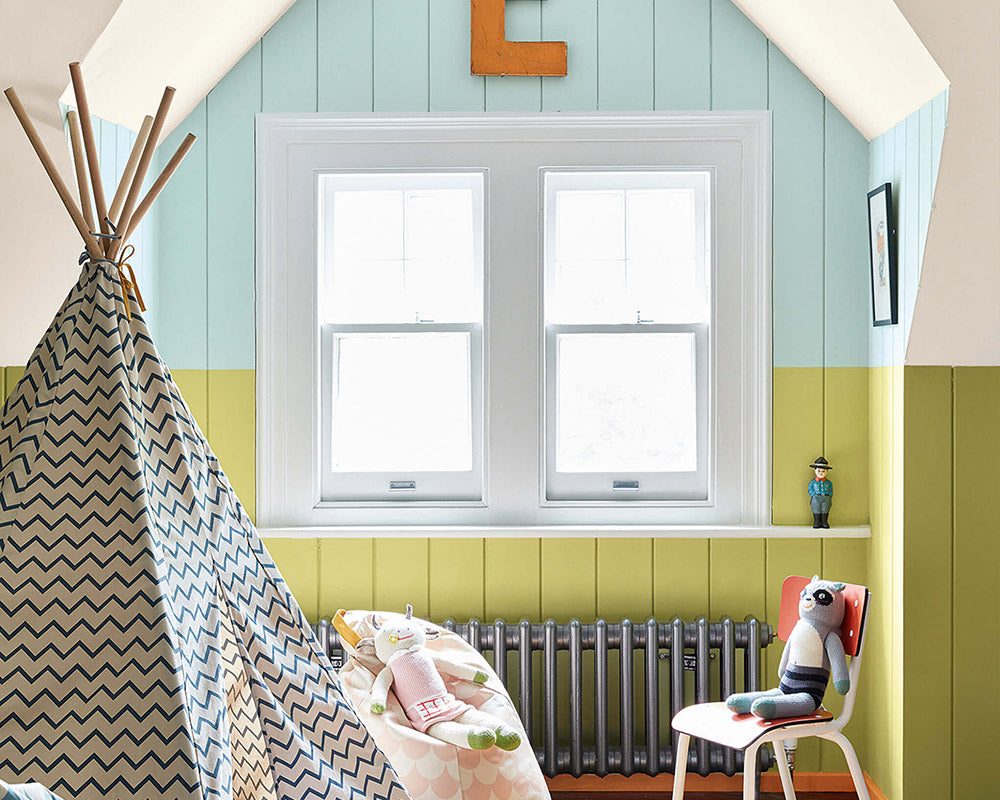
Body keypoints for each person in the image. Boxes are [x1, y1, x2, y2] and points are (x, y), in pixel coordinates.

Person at [808, 457, 833, 529]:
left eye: (823, 471)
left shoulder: (828, 482)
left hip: (826, 497)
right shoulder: (813, 482)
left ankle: (824, 522)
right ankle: (817, 522)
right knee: (816, 509)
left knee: (825, 509)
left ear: (827, 471)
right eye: (819, 471)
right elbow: (810, 488)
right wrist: (813, 495)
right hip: (816, 498)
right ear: (815, 471)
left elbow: (831, 489)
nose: (821, 473)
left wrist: (829, 496)